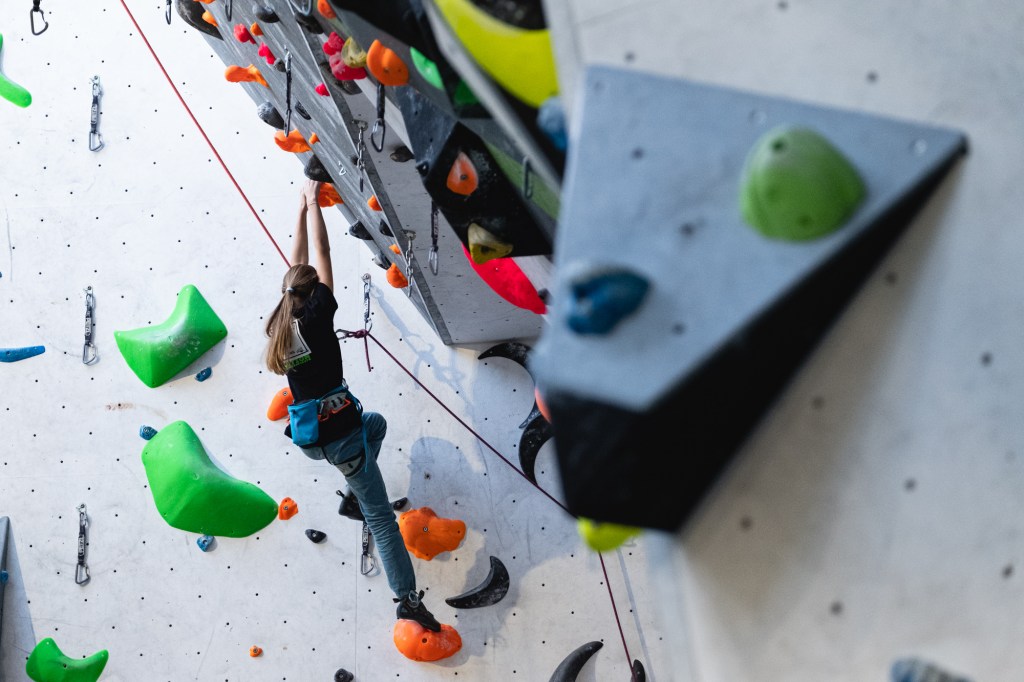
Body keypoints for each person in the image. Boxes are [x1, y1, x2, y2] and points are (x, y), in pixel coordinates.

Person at [264, 179, 440, 632]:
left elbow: (299, 265)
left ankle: (351, 496)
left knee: (375, 425)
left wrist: (302, 206)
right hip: (341, 440)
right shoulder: (318, 316)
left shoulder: (282, 324)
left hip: (315, 437)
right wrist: (314, 205)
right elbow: (320, 253)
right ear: (312, 293)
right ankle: (407, 600)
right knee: (382, 520)